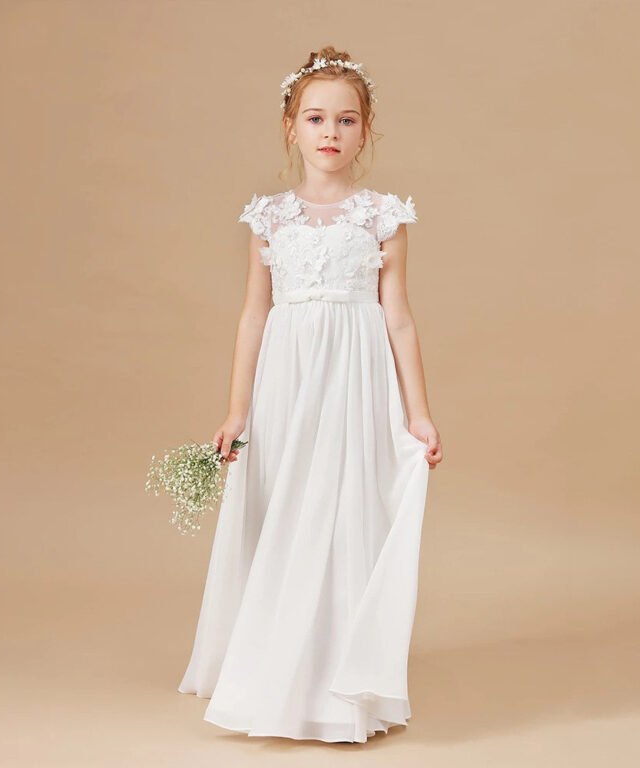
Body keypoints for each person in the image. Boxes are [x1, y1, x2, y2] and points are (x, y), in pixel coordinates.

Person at [177, 45, 443, 744]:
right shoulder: (269, 217)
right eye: (316, 118)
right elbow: (254, 314)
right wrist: (237, 410)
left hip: (355, 379)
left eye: (347, 120)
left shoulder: (382, 216)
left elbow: (398, 317)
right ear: (290, 127)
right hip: (288, 379)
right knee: (288, 507)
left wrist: (418, 413)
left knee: (344, 506)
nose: (331, 132)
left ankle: (339, 682)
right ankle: (276, 674)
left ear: (366, 129)